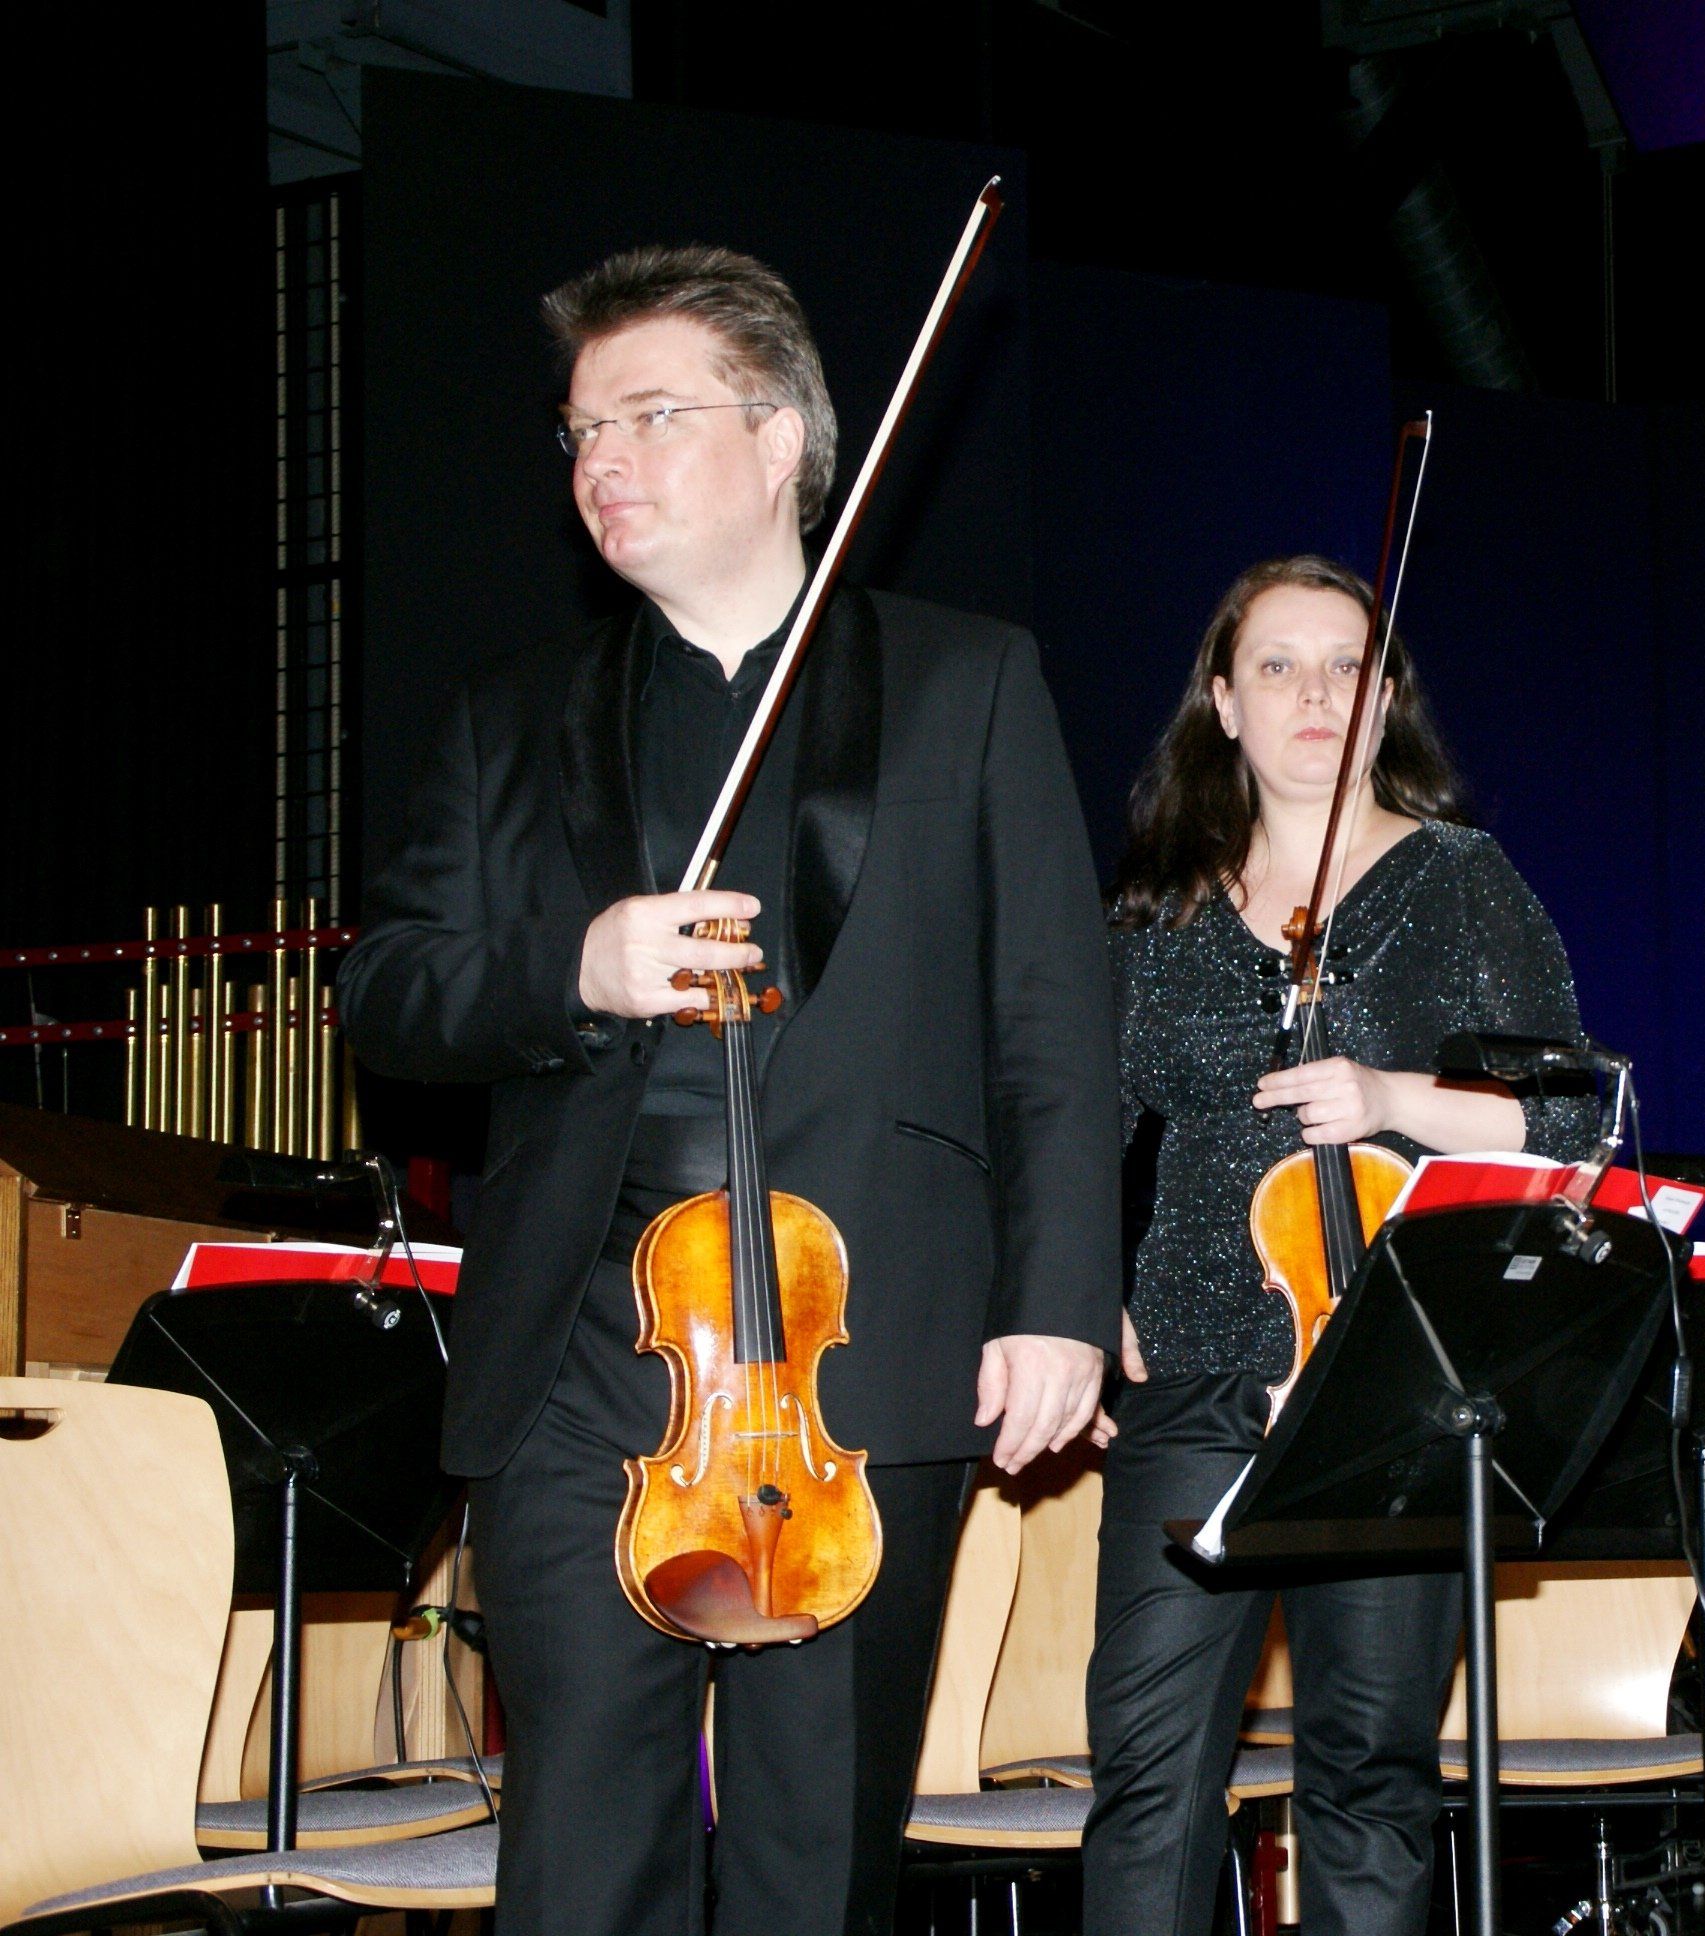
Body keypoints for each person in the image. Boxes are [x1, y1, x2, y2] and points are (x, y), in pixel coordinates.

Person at [341, 245, 1118, 1936]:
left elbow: (1055, 1027)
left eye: (647, 417)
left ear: (781, 440)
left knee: (812, 1866)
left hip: (861, 1347)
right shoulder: (507, 715)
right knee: (578, 1861)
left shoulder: (969, 679)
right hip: (585, 1355)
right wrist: (575, 965)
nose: (599, 461)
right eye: (579, 432)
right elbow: (388, 996)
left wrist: (1058, 1300)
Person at [1083, 555, 1599, 1936]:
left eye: (1346, 668)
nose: (1315, 694)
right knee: (1147, 1775)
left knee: (1370, 1774)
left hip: (1389, 1383)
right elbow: (1074, 1119)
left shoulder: (1460, 880)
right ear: (1223, 703)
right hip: (1196, 1371)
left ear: (1386, 703)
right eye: (1278, 666)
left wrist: (1392, 1097)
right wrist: (1080, 1290)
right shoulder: (1161, 909)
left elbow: (1575, 1114)